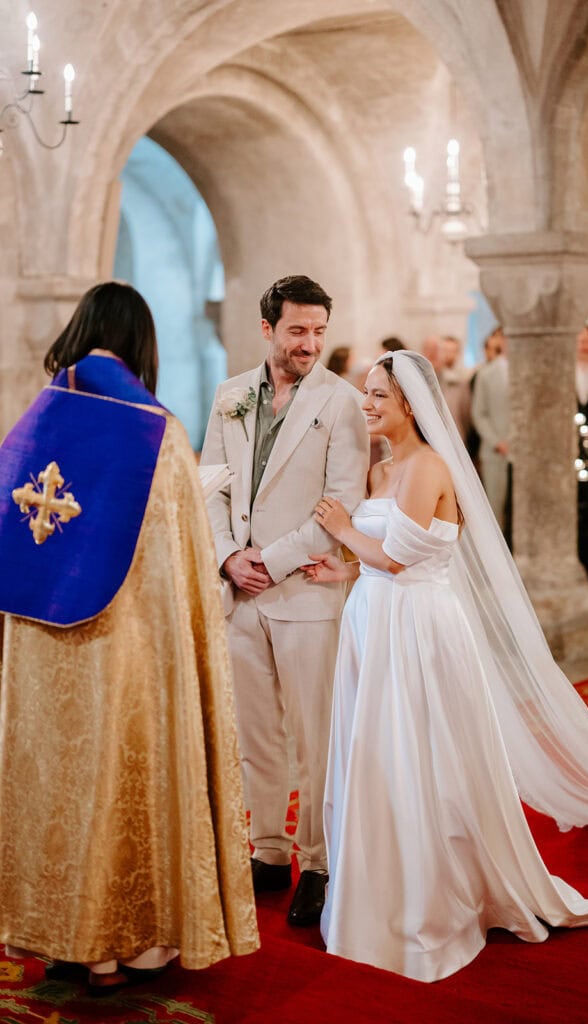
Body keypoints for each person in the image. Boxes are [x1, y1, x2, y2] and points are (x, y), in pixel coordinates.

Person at [304, 350, 588, 983]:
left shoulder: (429, 466)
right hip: (374, 622)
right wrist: (343, 569)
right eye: (365, 392)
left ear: (410, 404)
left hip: (418, 630)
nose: (366, 403)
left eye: (378, 395)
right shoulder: (382, 470)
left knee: (419, 759)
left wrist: (344, 532)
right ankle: (375, 894)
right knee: (372, 754)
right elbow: (383, 558)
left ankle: (430, 899)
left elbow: (401, 560)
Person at [0, 282, 258, 996]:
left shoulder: (31, 423)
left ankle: (55, 937)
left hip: (35, 651)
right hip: (124, 648)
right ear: (142, 341)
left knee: (54, 786)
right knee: (120, 785)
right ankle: (121, 948)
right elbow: (176, 559)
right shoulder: (155, 430)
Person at [201, 275, 368, 927]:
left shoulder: (344, 402)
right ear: (267, 329)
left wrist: (268, 561)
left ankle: (318, 863)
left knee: (314, 734)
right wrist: (227, 557)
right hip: (239, 593)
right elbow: (210, 484)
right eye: (298, 330)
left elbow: (343, 501)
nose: (310, 343)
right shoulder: (230, 396)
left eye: (319, 331)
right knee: (255, 735)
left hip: (304, 594)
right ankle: (268, 852)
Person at [470, 327, 510, 529]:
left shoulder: (531, 371)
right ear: (501, 341)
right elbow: (479, 413)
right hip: (496, 451)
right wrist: (497, 442)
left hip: (524, 453)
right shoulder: (486, 374)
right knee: (495, 507)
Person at [438, 334, 472, 443]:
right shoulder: (432, 378)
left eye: (452, 351)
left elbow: (466, 413)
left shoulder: (463, 380)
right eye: (445, 350)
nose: (449, 354)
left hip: (458, 436)